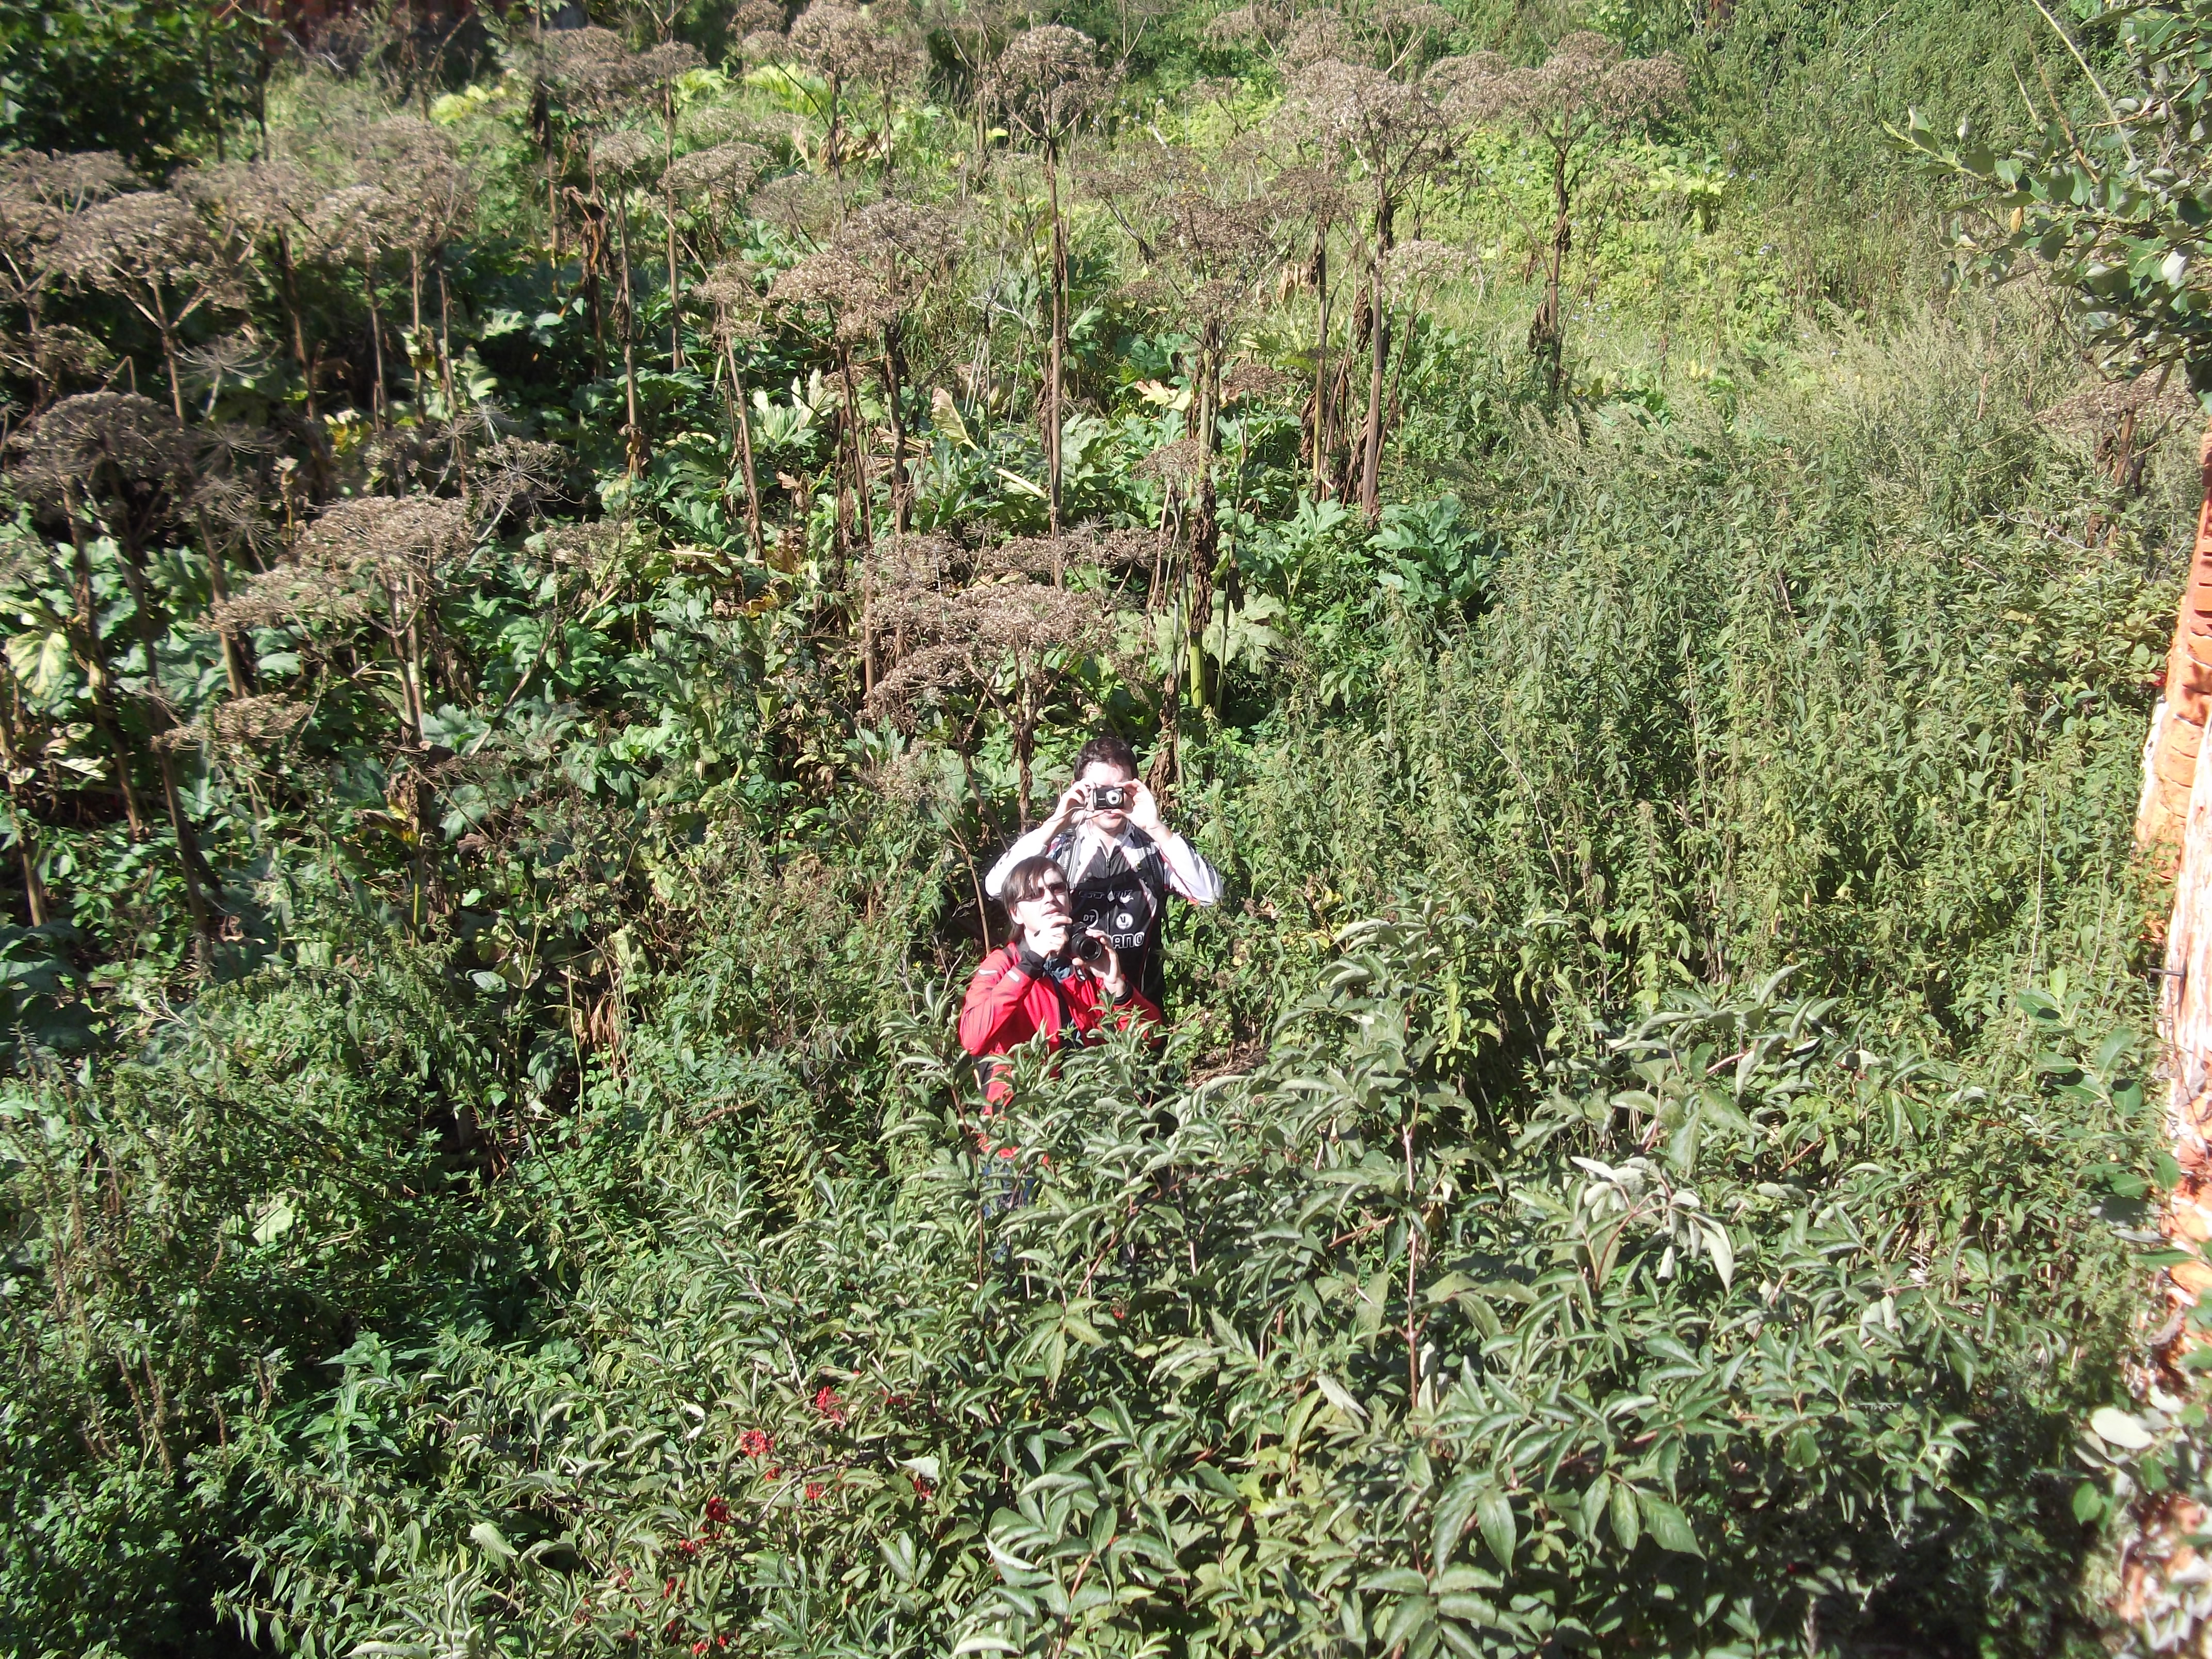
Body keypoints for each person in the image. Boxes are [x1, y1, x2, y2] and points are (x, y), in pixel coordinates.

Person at [984, 734, 1222, 1010]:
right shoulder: (1061, 849)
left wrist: (1156, 828)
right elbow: (997, 887)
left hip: (1138, 1010)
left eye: (1119, 790)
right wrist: (1056, 824)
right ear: (1079, 790)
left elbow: (1212, 896)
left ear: (1135, 788)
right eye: (1099, 791)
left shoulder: (1154, 849)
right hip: (1074, 1013)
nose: (1110, 800)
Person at [959, 854, 1161, 1110]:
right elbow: (973, 1039)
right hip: (1025, 1117)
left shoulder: (1085, 957)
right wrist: (1030, 964)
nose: (1049, 898)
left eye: (1057, 888)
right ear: (1015, 913)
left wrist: (1117, 987)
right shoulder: (1002, 965)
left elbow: (1151, 1038)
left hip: (1093, 1111)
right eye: (1034, 894)